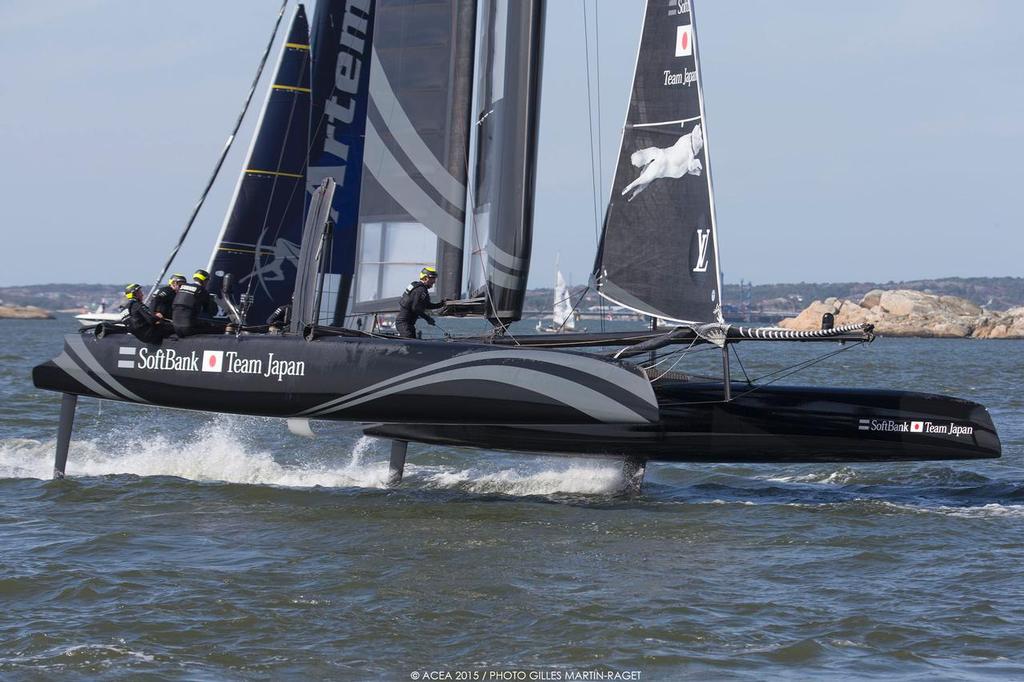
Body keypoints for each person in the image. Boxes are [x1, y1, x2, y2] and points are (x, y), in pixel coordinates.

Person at [396, 266, 445, 339]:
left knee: (413, 342)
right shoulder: (420, 290)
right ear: (425, 278)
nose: (434, 282)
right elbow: (415, 308)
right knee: (410, 343)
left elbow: (427, 305)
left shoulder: (421, 289)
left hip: (408, 324)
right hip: (404, 324)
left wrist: (441, 304)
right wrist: (428, 318)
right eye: (432, 279)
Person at [172, 269, 218, 338]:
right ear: (204, 280)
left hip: (176, 328)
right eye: (207, 281)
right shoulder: (202, 291)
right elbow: (210, 311)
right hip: (188, 329)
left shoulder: (182, 287)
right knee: (218, 329)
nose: (207, 283)